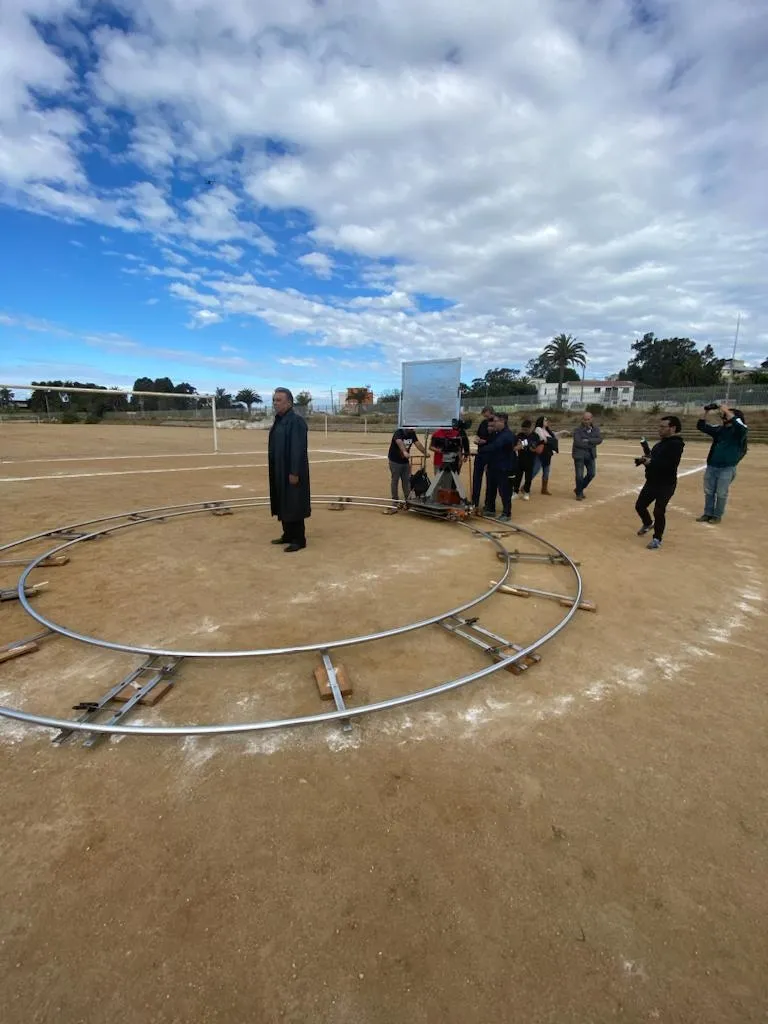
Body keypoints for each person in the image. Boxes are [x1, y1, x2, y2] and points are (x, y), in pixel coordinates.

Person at [268, 387, 311, 552]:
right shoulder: (279, 420)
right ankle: (287, 534)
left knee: (294, 503)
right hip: (279, 469)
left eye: (279, 400)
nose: (275, 403)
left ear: (289, 403)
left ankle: (299, 539)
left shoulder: (296, 421)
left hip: (292, 471)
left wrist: (294, 472)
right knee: (283, 501)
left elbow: (298, 449)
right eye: (274, 400)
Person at [635, 416, 685, 550]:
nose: (660, 429)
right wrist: (644, 460)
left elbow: (670, 464)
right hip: (652, 481)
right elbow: (653, 458)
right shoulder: (660, 444)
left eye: (663, 427)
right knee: (640, 506)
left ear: (672, 428)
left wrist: (651, 462)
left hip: (666, 484)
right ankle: (647, 523)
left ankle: (657, 538)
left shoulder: (676, 444)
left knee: (659, 511)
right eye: (660, 426)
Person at [696, 404, 748, 524]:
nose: (724, 415)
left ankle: (717, 515)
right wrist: (706, 412)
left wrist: (726, 410)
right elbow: (701, 426)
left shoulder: (738, 432)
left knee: (721, 493)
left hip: (727, 467)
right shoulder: (720, 430)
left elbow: (742, 428)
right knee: (709, 491)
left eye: (727, 414)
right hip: (712, 466)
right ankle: (708, 513)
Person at [482, 413, 518, 521]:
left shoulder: (507, 435)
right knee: (491, 488)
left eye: (496, 421)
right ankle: (490, 509)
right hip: (494, 465)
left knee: (504, 491)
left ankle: (506, 513)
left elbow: (496, 446)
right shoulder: (497, 433)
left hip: (503, 467)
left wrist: (481, 450)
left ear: (503, 421)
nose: (494, 423)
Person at [387, 426, 426, 502]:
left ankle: (407, 499)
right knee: (395, 480)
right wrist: (404, 451)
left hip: (405, 461)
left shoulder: (412, 433)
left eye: (413, 428)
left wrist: (424, 452)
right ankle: (395, 499)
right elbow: (399, 442)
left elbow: (417, 443)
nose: (412, 430)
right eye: (410, 428)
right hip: (395, 461)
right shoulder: (398, 432)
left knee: (406, 480)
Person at [572, 411, 603, 500]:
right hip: (579, 455)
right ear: (582, 420)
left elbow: (600, 440)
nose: (586, 421)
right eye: (585, 420)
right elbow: (578, 443)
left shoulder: (596, 429)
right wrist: (592, 442)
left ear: (592, 419)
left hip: (590, 455)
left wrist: (588, 440)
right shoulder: (577, 430)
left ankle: (579, 488)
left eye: (588, 419)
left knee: (592, 474)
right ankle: (579, 493)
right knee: (579, 475)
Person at [471, 406, 495, 510]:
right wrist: (477, 440)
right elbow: (478, 434)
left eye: (485, 414)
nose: (485, 416)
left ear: (490, 412)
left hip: (490, 455)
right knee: (476, 478)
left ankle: (488, 504)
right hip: (480, 453)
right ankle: (474, 502)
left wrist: (486, 441)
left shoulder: (496, 423)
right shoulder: (483, 423)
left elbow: (496, 439)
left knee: (490, 479)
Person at [531, 415, 558, 495]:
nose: (547, 421)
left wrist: (563, 432)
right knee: (535, 470)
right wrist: (552, 440)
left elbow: (554, 436)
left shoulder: (547, 430)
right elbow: (544, 439)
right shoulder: (538, 429)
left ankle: (544, 489)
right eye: (545, 420)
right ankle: (525, 485)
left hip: (547, 452)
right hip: (541, 452)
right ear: (541, 421)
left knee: (546, 471)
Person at [512, 419, 536, 500]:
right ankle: (515, 492)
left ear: (530, 428)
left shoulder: (535, 435)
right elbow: (515, 442)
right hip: (520, 459)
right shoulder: (520, 435)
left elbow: (531, 443)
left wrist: (522, 444)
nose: (524, 431)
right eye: (523, 429)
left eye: (526, 429)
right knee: (517, 477)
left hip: (530, 460)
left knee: (528, 478)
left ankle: (526, 492)